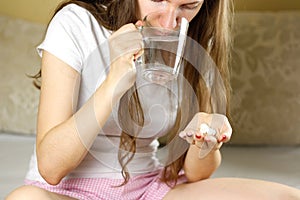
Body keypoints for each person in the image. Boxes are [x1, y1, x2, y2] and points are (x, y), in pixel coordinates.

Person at [6, 0, 300, 199]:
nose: (170, 21)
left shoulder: (192, 38)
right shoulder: (75, 24)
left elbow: (197, 173)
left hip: (148, 188)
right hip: (67, 193)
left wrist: (206, 141)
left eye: (189, 5)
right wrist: (112, 84)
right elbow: (51, 167)